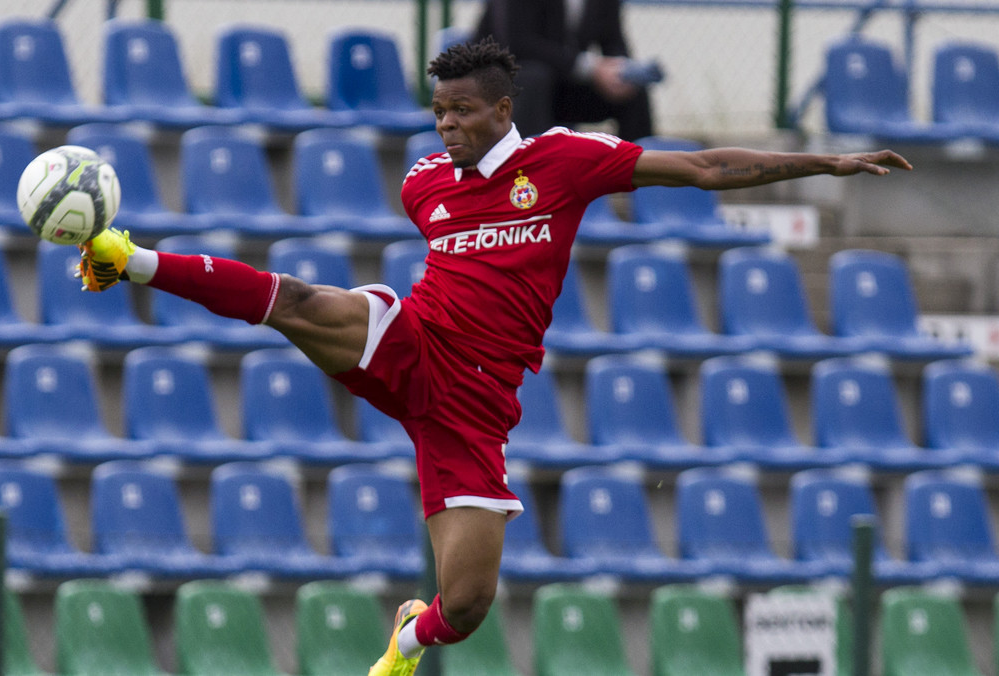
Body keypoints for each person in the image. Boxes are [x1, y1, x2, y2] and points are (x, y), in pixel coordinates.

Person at [72, 37, 909, 676]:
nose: (446, 126)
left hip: (473, 408)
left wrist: (826, 162)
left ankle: (410, 634)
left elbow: (703, 166)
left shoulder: (568, 163)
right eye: (438, 113)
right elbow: (457, 267)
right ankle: (128, 255)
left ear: (503, 111)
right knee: (295, 302)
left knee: (467, 607)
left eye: (461, 112)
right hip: (411, 341)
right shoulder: (424, 183)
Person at [473, 0, 658, 140]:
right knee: (536, 77)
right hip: (505, 83)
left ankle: (640, 179)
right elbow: (518, 44)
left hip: (561, 84)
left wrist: (621, 71)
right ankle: (527, 173)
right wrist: (591, 68)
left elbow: (613, 41)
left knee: (634, 91)